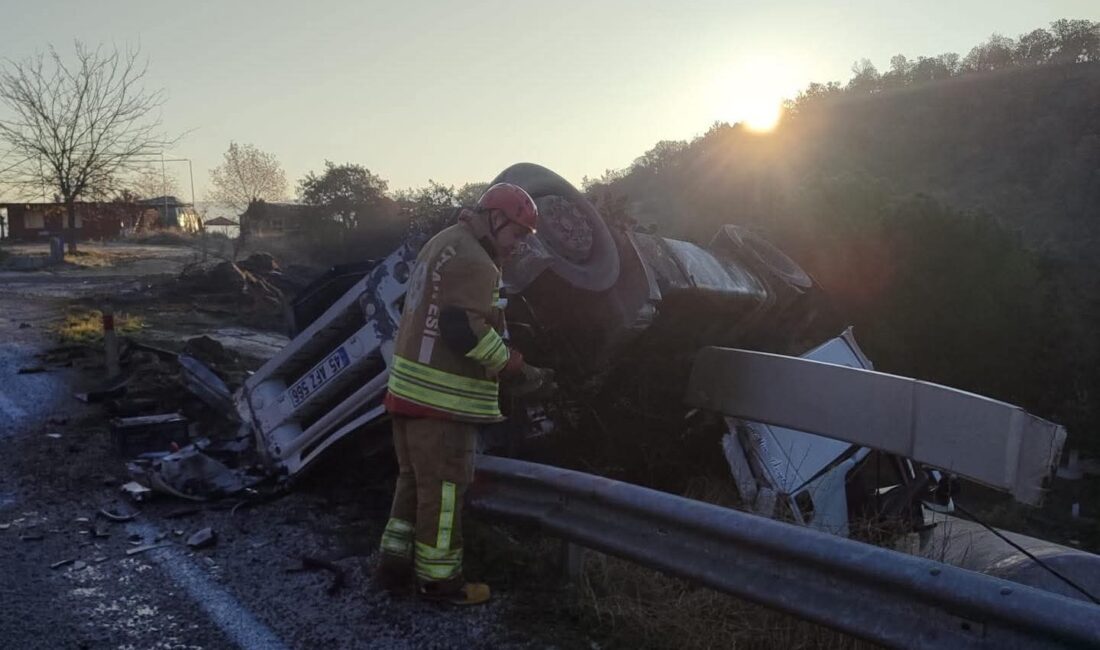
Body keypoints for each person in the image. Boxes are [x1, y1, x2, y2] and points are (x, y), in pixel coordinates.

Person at [375, 183, 553, 605]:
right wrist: (515, 366)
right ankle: (440, 583)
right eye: (517, 235)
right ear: (495, 219)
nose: (517, 246)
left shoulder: (444, 243)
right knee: (445, 493)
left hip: (408, 394)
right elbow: (462, 329)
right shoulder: (477, 263)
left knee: (413, 484)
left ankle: (393, 567)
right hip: (442, 404)